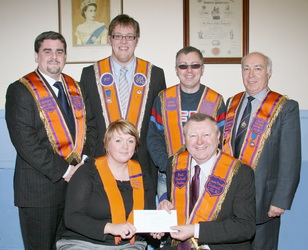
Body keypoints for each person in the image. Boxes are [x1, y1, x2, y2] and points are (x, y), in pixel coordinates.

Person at [5, 31, 96, 249]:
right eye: (47, 51)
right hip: (39, 192)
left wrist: (82, 164)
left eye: (59, 51)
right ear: (37, 55)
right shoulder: (20, 90)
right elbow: (25, 142)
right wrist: (66, 171)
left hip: (76, 189)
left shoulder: (77, 88)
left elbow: (92, 127)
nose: (54, 56)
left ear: (65, 56)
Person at [79, 14, 166, 207]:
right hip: (102, 160)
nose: (124, 41)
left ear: (137, 40)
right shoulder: (90, 73)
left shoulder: (155, 74)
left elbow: (159, 123)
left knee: (141, 223)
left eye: (130, 36)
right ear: (109, 38)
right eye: (118, 36)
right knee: (105, 214)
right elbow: (87, 122)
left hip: (142, 162)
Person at [222, 52, 301, 249]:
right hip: (231, 199)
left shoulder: (285, 107)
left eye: (258, 68)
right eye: (246, 68)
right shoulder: (232, 102)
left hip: (264, 202)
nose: (251, 75)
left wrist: (280, 200)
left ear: (269, 73)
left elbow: (290, 159)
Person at [153, 113, 255, 249]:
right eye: (193, 136)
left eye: (206, 135)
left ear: (218, 137)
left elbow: (245, 227)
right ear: (185, 139)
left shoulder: (240, 173)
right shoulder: (174, 163)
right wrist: (164, 216)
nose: (199, 142)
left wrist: (196, 230)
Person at [57, 119, 154, 250]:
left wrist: (155, 229)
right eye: (118, 140)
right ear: (107, 144)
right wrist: (111, 228)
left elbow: (148, 217)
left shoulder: (143, 175)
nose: (125, 146)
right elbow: (72, 218)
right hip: (83, 243)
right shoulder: (87, 172)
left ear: (136, 146)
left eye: (130, 141)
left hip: (129, 245)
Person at [147, 46, 226, 202]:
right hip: (168, 176)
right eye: (183, 66)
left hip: (205, 175)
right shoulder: (163, 98)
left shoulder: (215, 100)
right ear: (176, 70)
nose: (189, 71)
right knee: (171, 224)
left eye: (195, 65)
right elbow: (153, 137)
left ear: (202, 69)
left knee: (201, 224)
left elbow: (222, 140)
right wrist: (168, 167)